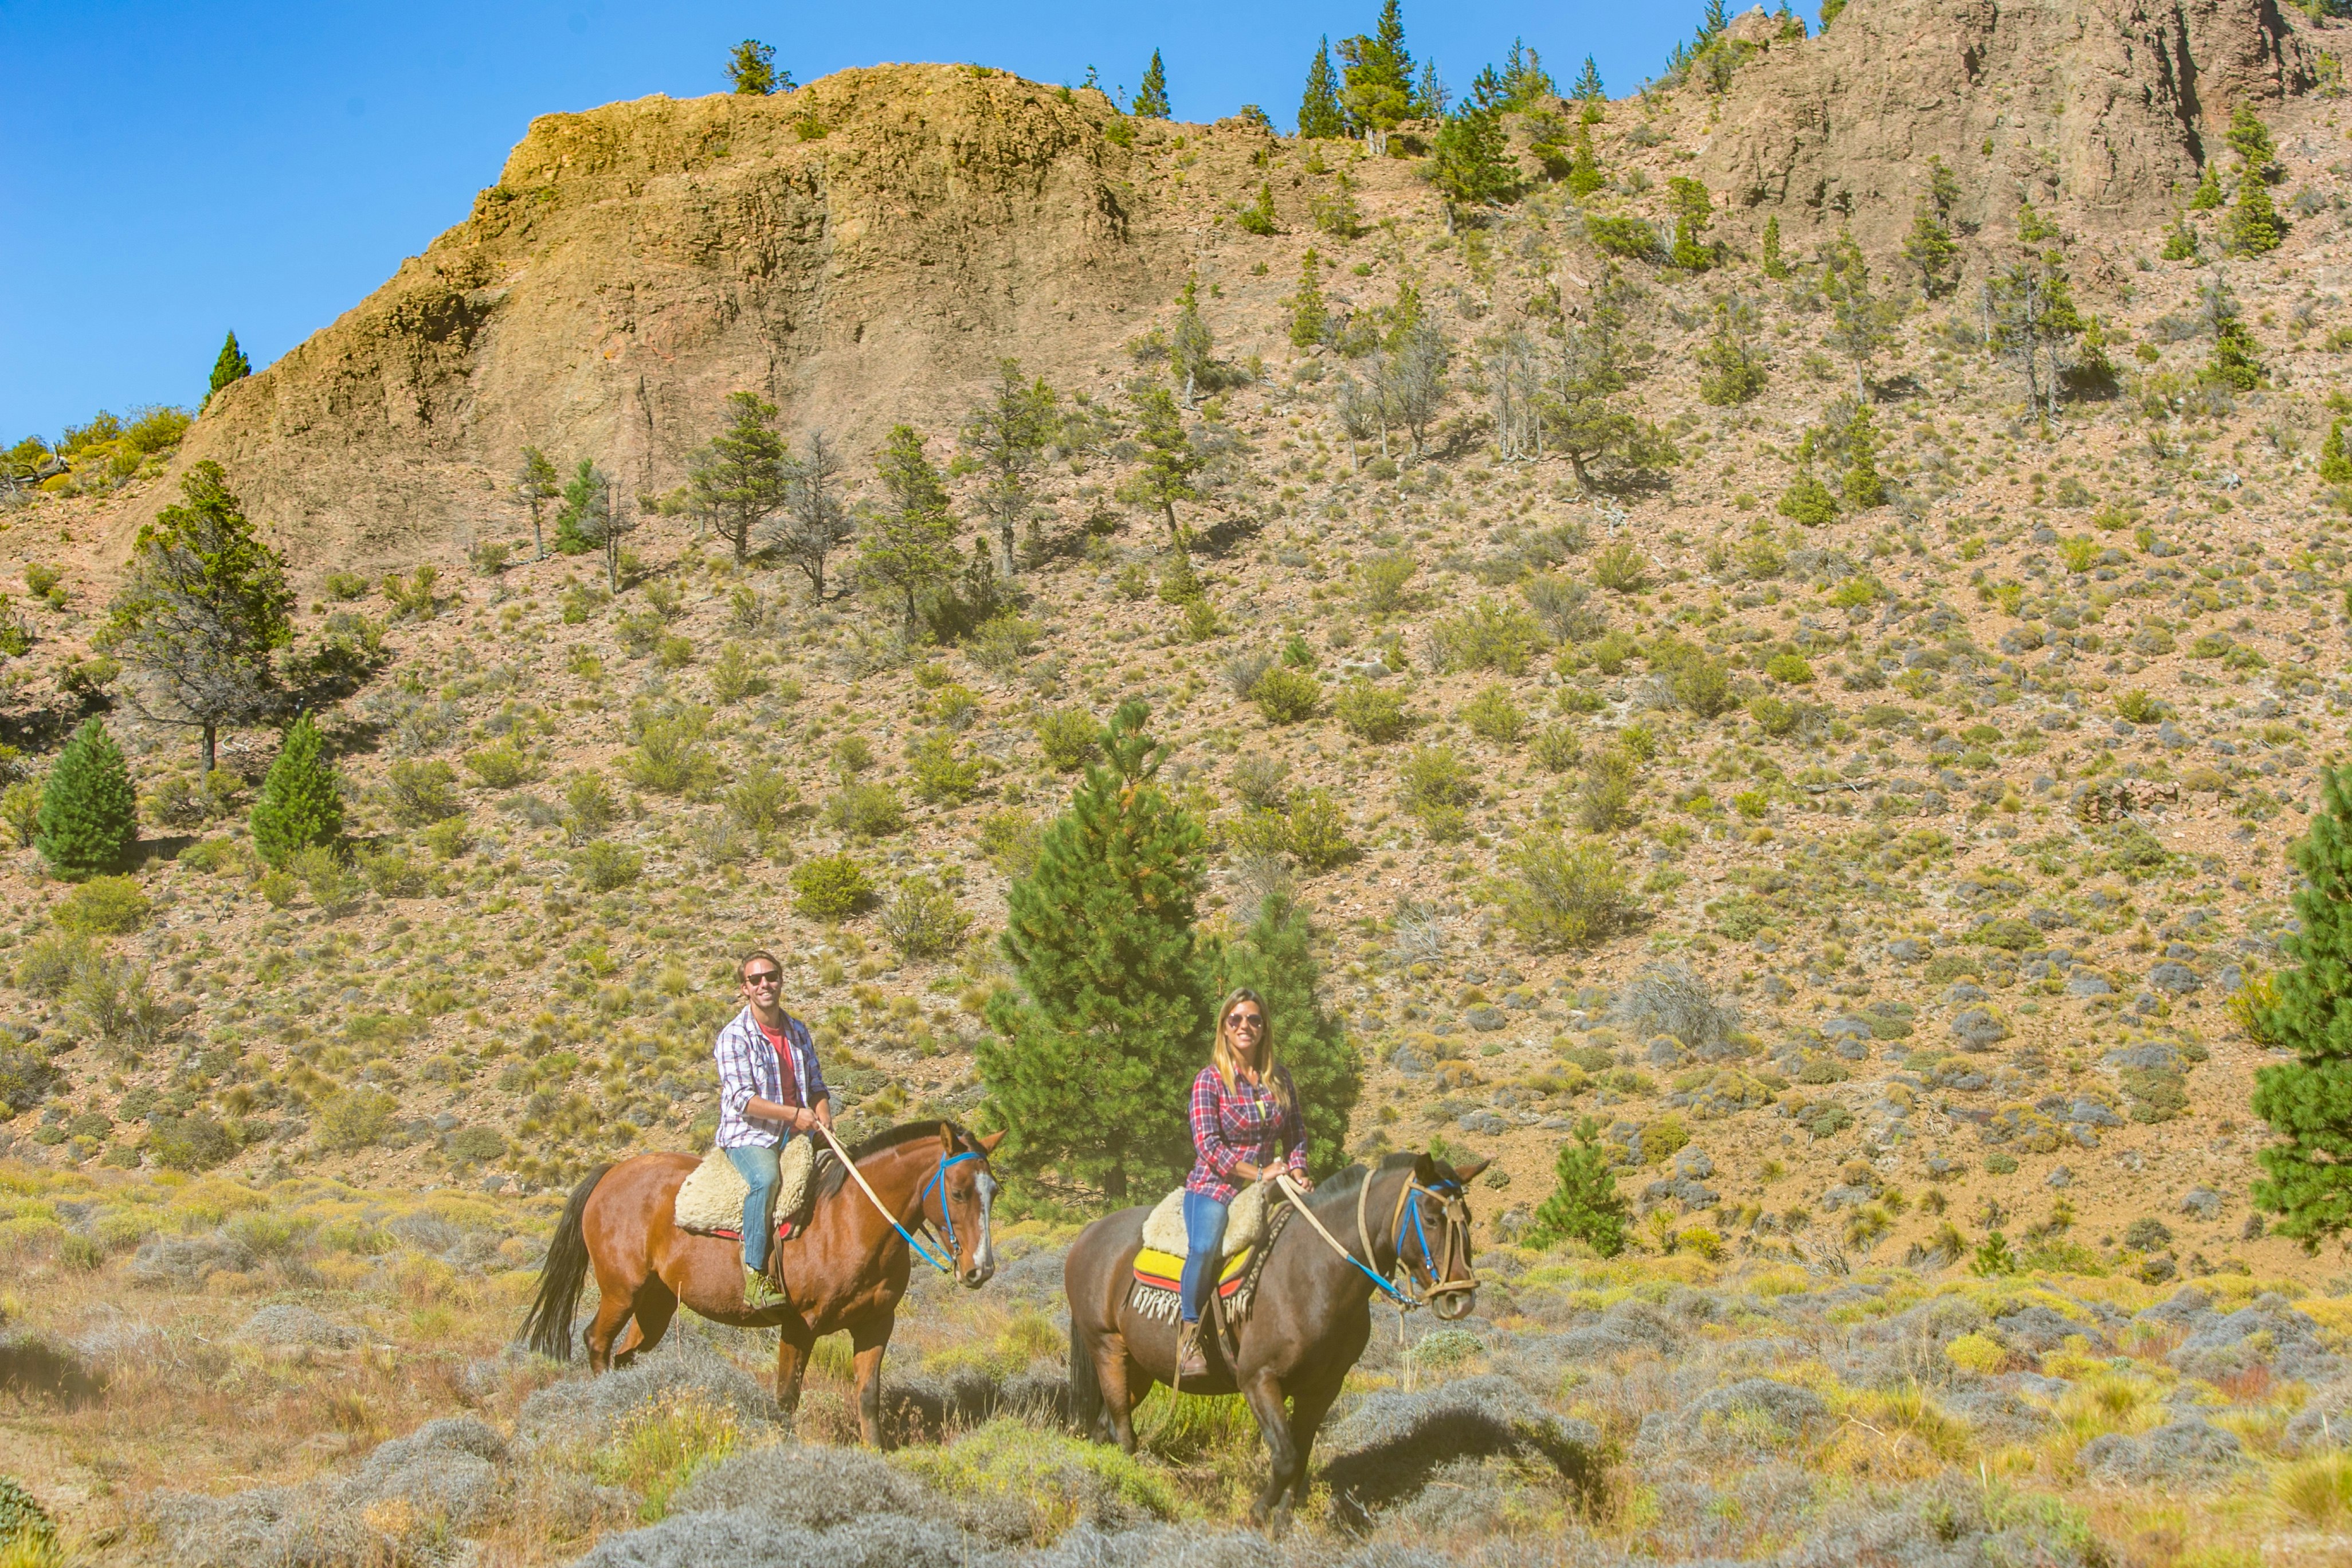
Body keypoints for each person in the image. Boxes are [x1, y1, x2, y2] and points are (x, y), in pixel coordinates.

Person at [1176, 986, 1310, 1378]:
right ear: (1224, 1027)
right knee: (1205, 1246)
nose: (1244, 1026)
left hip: (1271, 1184)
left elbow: (1296, 1133)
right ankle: (1189, 1334)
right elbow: (1208, 1146)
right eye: (1235, 1019)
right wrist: (1260, 1173)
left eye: (1253, 1019)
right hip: (1216, 1186)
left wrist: (1298, 1171)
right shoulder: (1210, 1081)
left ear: (1264, 1027)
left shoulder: (1279, 1078)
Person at [713, 949, 832, 1310]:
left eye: (771, 977)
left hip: (799, 1130)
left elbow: (816, 1084)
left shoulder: (798, 1030)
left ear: (781, 981)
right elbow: (742, 1100)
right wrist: (794, 1115)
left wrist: (823, 1115)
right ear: (745, 988)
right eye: (755, 979)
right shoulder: (734, 1036)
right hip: (751, 1134)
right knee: (766, 1180)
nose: (764, 984)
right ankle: (756, 1276)